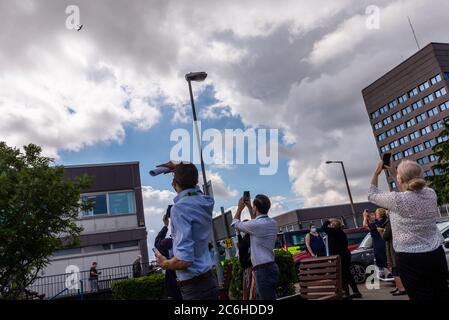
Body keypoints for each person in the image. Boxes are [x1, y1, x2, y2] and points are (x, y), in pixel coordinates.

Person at [368, 159, 449, 300]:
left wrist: (377, 172)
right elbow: (409, 192)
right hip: (436, 253)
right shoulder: (431, 193)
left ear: (400, 179)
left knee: (420, 296)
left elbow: (372, 195)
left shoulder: (397, 200)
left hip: (410, 258)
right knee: (441, 293)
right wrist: (395, 172)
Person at [155, 161, 218, 300]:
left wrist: (165, 263)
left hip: (194, 288)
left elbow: (185, 261)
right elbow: (194, 190)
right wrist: (178, 169)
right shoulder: (206, 201)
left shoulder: (179, 209)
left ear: (174, 183)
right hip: (209, 281)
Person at [231, 194, 279, 300]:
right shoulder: (273, 223)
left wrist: (240, 208)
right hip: (272, 266)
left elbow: (235, 223)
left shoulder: (257, 225)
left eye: (253, 207)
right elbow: (255, 223)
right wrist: (249, 207)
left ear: (256, 208)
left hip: (262, 270)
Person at [321, 219, 362, 299]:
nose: (329, 225)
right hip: (345, 255)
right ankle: (355, 291)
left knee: (343, 275)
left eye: (331, 224)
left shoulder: (334, 231)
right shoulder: (339, 232)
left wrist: (328, 221)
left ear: (333, 225)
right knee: (347, 274)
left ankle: (346, 293)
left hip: (341, 256)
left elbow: (323, 228)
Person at [154, 207, 182, 300]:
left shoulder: (167, 243)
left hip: (172, 282)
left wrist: (166, 225)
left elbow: (157, 242)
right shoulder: (187, 241)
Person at [379, 215, 406, 296]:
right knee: (394, 269)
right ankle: (398, 287)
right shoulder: (393, 221)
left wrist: (381, 231)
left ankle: (401, 289)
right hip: (395, 247)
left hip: (393, 248)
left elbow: (385, 236)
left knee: (395, 269)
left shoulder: (389, 222)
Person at [363, 208, 388, 278]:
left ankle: (389, 275)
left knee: (383, 262)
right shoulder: (383, 221)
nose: (375, 214)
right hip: (382, 244)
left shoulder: (378, 223)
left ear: (380, 215)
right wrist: (368, 218)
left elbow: (365, 225)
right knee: (384, 261)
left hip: (379, 245)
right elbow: (372, 224)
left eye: (376, 213)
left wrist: (365, 217)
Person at [237, 220, 257, 300]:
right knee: (249, 288)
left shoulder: (250, 237)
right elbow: (242, 246)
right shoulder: (247, 236)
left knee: (251, 289)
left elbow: (245, 247)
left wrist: (250, 256)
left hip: (249, 266)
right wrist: (238, 234)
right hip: (247, 266)